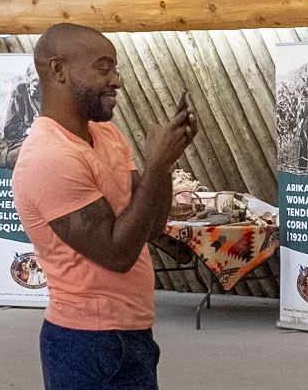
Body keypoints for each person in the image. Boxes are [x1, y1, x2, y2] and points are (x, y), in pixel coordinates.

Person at [12, 23, 197, 390]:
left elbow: (151, 224)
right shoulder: (49, 157)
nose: (117, 81)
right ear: (58, 70)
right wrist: (157, 166)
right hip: (87, 342)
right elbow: (117, 253)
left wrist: (164, 165)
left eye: (115, 69)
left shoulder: (106, 133)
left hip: (131, 333)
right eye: (103, 68)